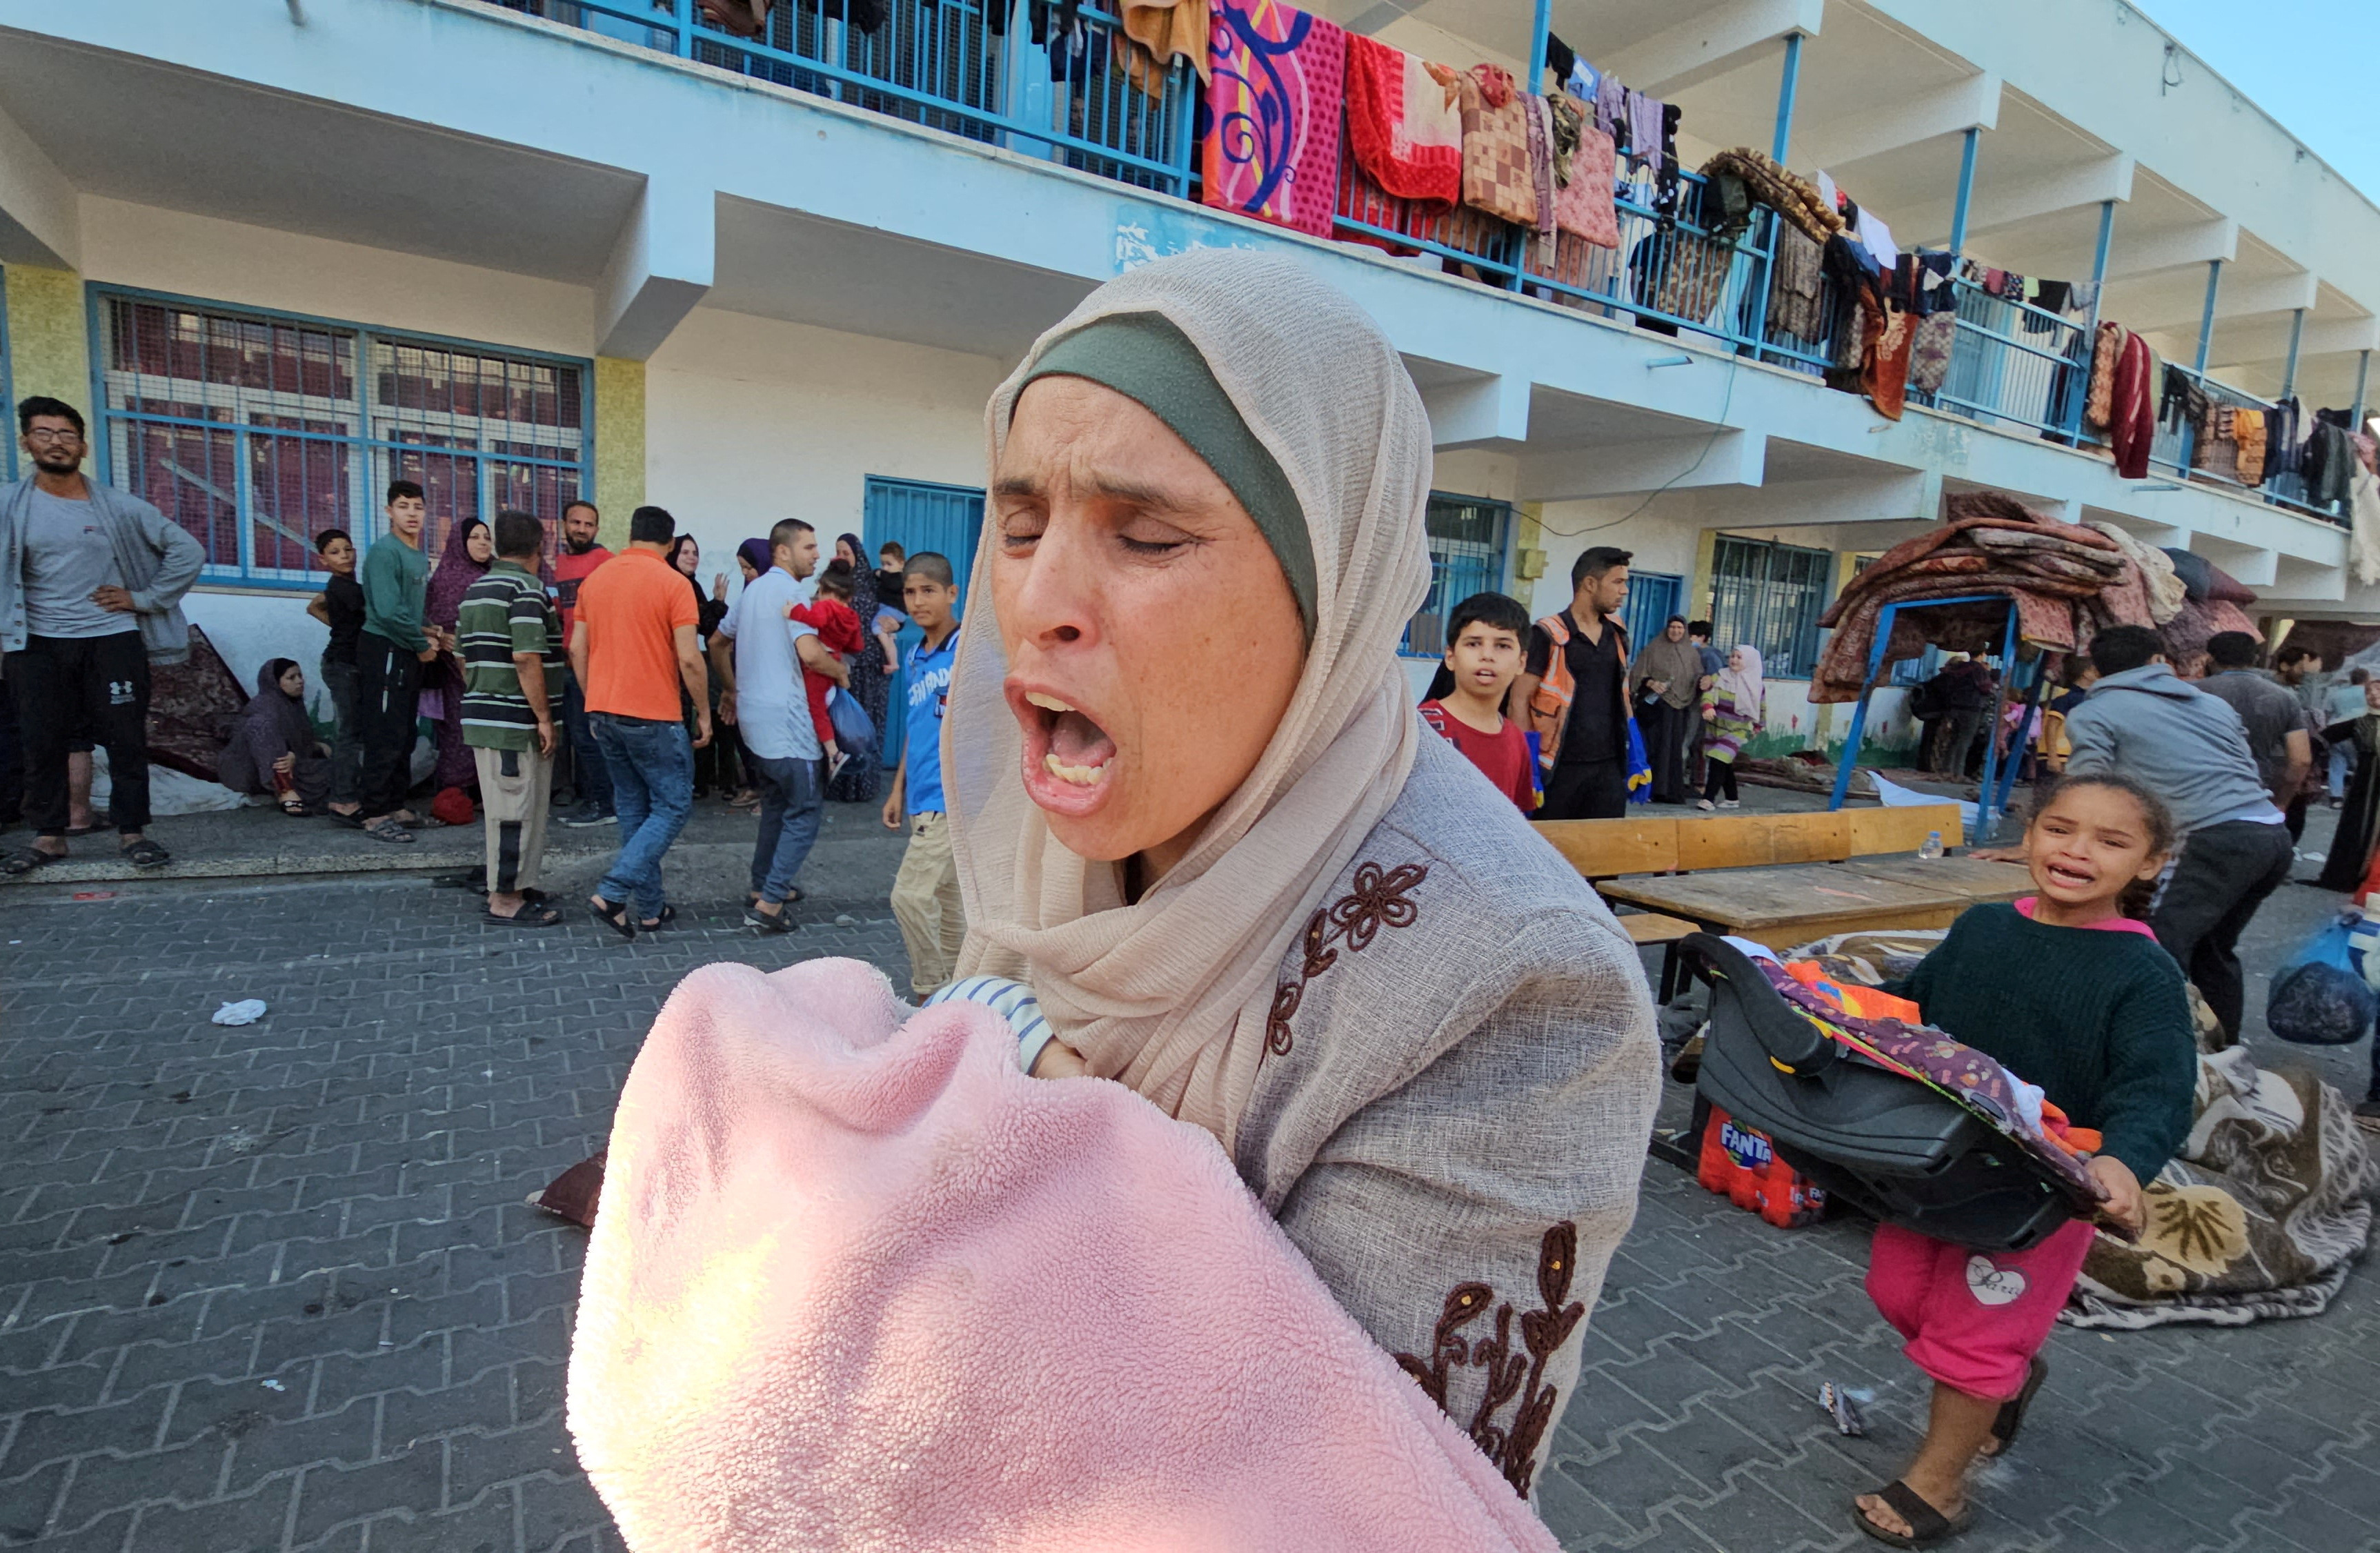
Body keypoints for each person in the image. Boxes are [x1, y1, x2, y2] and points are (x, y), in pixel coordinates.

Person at [942, 250, 1657, 1490]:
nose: (1038, 598)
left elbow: (1341, 1494)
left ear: (1335, 586)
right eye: (1016, 527)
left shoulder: (1511, 986)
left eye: (1147, 534)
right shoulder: (1034, 848)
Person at [1852, 773, 2194, 1546]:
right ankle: (2006, 1381)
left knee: (1974, 1339)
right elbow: (1917, 1012)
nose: (2077, 851)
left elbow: (2159, 1087)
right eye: (2061, 829)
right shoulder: (1982, 927)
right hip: (1935, 1168)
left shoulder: (2144, 974)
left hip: (2038, 1196)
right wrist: (1837, 1010)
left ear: (2150, 863)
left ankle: (1938, 1483)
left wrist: (2124, 1165)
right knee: (1898, 1290)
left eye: (2111, 841)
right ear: (2029, 834)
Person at [1, 396, 204, 874]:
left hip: (111, 638)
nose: (56, 442)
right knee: (41, 739)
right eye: (45, 433)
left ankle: (133, 832)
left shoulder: (116, 506)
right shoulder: (10, 504)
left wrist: (144, 598)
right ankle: (50, 836)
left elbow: (187, 550)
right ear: (26, 441)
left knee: (126, 738)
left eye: (67, 434)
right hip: (38, 643)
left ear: (84, 446)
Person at [2060, 625, 2294, 1040]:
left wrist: (2048, 839)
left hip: (2209, 839)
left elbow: (2087, 788)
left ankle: (2154, 1054)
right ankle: (2221, 1058)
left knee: (2153, 945)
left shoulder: (2096, 712)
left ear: (2096, 671)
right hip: (2271, 835)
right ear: (2158, 661)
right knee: (2213, 951)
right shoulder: (2212, 705)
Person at [571, 505, 708, 939]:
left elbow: (577, 649)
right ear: (669, 544)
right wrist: (704, 712)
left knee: (634, 808)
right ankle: (612, 892)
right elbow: (689, 657)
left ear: (630, 536)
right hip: (654, 714)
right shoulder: (674, 583)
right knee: (672, 806)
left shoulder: (595, 580)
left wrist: (594, 698)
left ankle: (650, 909)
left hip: (604, 712)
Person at [711, 517, 846, 933]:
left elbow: (717, 642)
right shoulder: (791, 593)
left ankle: (762, 885)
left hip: (755, 723)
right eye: (809, 547)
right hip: (791, 726)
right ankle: (769, 905)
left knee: (774, 805)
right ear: (783, 551)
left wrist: (731, 690)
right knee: (804, 811)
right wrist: (840, 672)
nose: (818, 554)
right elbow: (809, 654)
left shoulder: (752, 593)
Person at [460, 511, 566, 928]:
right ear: (539, 546)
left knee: (514, 807)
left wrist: (484, 690)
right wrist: (543, 717)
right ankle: (505, 899)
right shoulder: (526, 589)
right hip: (514, 723)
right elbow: (526, 657)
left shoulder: (475, 590)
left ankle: (516, 885)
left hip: (487, 717)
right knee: (514, 810)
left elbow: (461, 656)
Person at [880, 551, 966, 995]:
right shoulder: (915, 656)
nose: (917, 601)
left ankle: (932, 991)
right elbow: (917, 727)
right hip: (922, 798)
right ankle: (966, 996)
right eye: (910, 592)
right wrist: (898, 788)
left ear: (952, 594)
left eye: (928, 591)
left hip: (955, 801)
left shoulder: (970, 653)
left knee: (910, 897)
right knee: (950, 908)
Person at [350, 480, 443, 846]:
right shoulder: (383, 553)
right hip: (385, 648)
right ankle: (374, 814)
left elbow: (407, 608)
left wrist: (430, 629)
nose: (412, 513)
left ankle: (395, 805)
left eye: (418, 507)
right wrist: (421, 643)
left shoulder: (418, 555)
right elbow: (387, 612)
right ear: (389, 511)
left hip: (407, 647)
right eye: (403, 506)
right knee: (384, 732)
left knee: (404, 731)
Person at [1513, 546, 1633, 820]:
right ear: (1590, 584)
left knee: (1606, 850)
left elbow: (1623, 695)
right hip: (1557, 768)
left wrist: (1635, 750)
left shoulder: (1617, 634)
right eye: (1618, 582)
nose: (1624, 590)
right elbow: (1519, 700)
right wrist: (1527, 767)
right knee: (1553, 850)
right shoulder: (1547, 634)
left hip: (1609, 767)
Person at [1416, 591, 1534, 815]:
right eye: (1473, 644)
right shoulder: (1421, 729)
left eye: (1502, 646)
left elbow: (1519, 824)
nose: (1487, 655)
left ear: (1522, 662)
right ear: (1450, 657)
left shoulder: (1517, 741)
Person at [2197, 631, 2314, 843]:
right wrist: (2282, 803)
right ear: (2255, 659)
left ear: (2210, 659)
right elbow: (2301, 759)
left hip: (2199, 793)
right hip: (2258, 790)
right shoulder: (2284, 698)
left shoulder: (2192, 693)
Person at [423, 516, 493, 809]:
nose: (483, 543)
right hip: (455, 670)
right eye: (475, 537)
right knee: (458, 727)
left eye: (486, 537)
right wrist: (444, 635)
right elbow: (435, 618)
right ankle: (457, 791)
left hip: (491, 664)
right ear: (460, 543)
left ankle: (485, 789)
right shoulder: (446, 577)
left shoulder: (495, 573)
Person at [826, 532, 902, 804]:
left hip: (873, 668)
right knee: (843, 726)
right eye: (838, 551)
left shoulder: (875, 581)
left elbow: (896, 605)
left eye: (846, 552)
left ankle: (865, 786)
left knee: (869, 725)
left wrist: (899, 624)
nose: (841, 556)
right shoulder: (833, 582)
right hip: (845, 667)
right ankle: (841, 786)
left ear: (857, 555)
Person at [554, 499, 615, 828]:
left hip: (594, 663)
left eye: (588, 524)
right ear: (564, 524)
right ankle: (594, 798)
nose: (581, 529)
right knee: (578, 736)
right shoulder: (560, 563)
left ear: (597, 529)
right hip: (567, 661)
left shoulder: (606, 561)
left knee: (589, 736)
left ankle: (603, 804)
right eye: (576, 522)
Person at [305, 529, 369, 824]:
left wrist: (341, 628)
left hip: (348, 663)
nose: (344, 556)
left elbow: (313, 606)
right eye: (335, 552)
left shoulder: (343, 586)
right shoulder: (346, 589)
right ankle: (343, 801)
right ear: (323, 560)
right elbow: (380, 617)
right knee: (349, 735)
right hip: (343, 665)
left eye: (348, 549)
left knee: (355, 732)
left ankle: (351, 795)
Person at [216, 659, 330, 815]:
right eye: (291, 678)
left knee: (337, 771)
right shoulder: (263, 706)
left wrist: (312, 748)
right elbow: (262, 741)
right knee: (260, 725)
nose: (300, 682)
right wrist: (288, 753)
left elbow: (298, 741)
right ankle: (285, 791)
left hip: (284, 764)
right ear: (275, 682)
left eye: (300, 676)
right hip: (245, 770)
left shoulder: (293, 704)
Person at [791, 560, 870, 785]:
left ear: (825, 590)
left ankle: (833, 752)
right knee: (826, 705)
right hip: (836, 658)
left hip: (820, 661)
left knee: (816, 707)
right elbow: (857, 646)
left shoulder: (825, 606)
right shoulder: (852, 616)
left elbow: (815, 619)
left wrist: (794, 611)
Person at [666, 534, 732, 797]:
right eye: (685, 552)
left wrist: (717, 602)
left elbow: (706, 627)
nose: (692, 557)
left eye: (695, 552)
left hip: (684, 669)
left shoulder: (691, 586)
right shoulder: (673, 584)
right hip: (670, 667)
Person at [1630, 615, 1702, 804]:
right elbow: (1638, 674)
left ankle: (1669, 792)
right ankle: (1651, 789)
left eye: (1679, 628)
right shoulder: (1653, 648)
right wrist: (1651, 683)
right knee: (1654, 747)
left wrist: (1705, 683)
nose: (1675, 631)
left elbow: (1697, 678)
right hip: (1656, 709)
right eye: (1672, 627)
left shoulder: (1691, 654)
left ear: (1685, 630)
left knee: (1673, 750)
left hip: (1678, 709)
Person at [1697, 646, 1763, 810]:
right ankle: (1732, 798)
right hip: (1716, 726)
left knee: (1719, 758)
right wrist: (1707, 707)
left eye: (1740, 657)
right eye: (1733, 656)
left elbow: (1761, 707)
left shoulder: (1756, 685)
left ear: (1749, 661)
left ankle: (1708, 799)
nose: (1734, 660)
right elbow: (1709, 694)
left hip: (1738, 730)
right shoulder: (1719, 677)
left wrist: (1758, 725)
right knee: (1723, 762)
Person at [1927, 654, 1990, 778]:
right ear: (1982, 654)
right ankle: (1958, 772)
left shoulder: (1956, 669)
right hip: (1972, 708)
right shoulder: (1979, 670)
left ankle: (1947, 769)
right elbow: (1986, 687)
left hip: (1954, 707)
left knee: (1954, 739)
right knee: (1965, 740)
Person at [1687, 619, 1723, 788]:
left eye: (1691, 636)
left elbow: (1715, 682)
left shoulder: (1709, 656)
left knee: (1699, 742)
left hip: (1703, 705)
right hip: (1695, 703)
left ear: (1702, 637)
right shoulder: (1700, 653)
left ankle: (1699, 782)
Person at [2326, 667, 2370, 803]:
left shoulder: (2337, 694)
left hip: (2336, 730)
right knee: (2362, 765)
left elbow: (2328, 712)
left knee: (2337, 764)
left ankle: (2336, 797)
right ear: (2367, 679)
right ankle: (2360, 797)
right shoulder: (2370, 694)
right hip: (2359, 733)